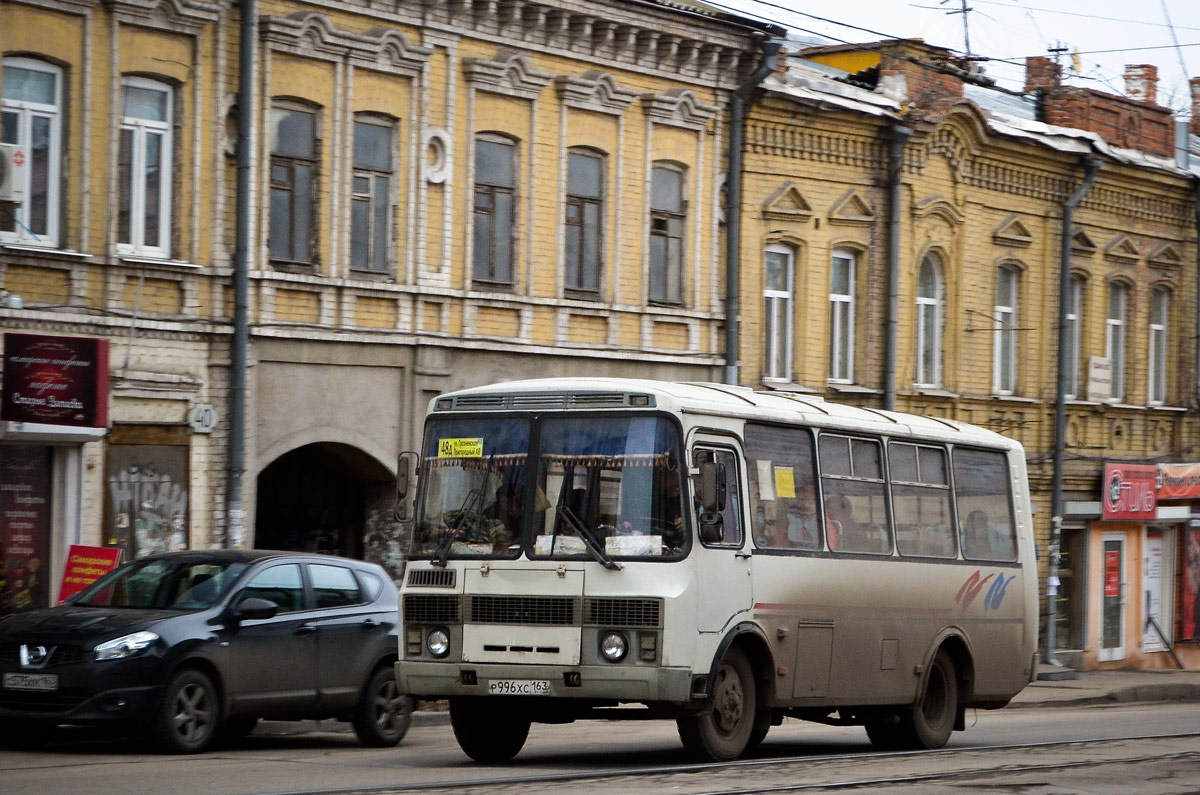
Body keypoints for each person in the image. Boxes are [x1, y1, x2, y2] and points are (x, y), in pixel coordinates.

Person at [779, 484, 831, 549]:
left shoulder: (823, 519)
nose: (805, 505)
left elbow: (830, 542)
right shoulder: (789, 518)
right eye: (801, 501)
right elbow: (779, 542)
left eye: (810, 502)